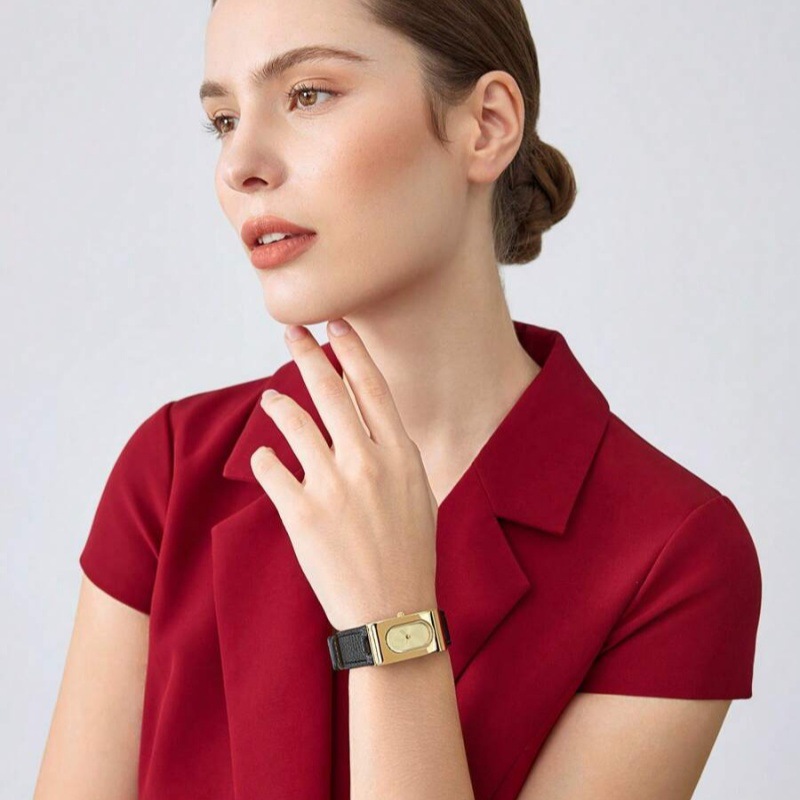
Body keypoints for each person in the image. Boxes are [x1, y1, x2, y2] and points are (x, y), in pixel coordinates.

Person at [34, 1, 762, 798]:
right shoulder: (175, 473)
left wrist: (392, 625)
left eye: (307, 94)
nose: (240, 164)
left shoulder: (675, 556)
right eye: (224, 119)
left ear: (486, 125)